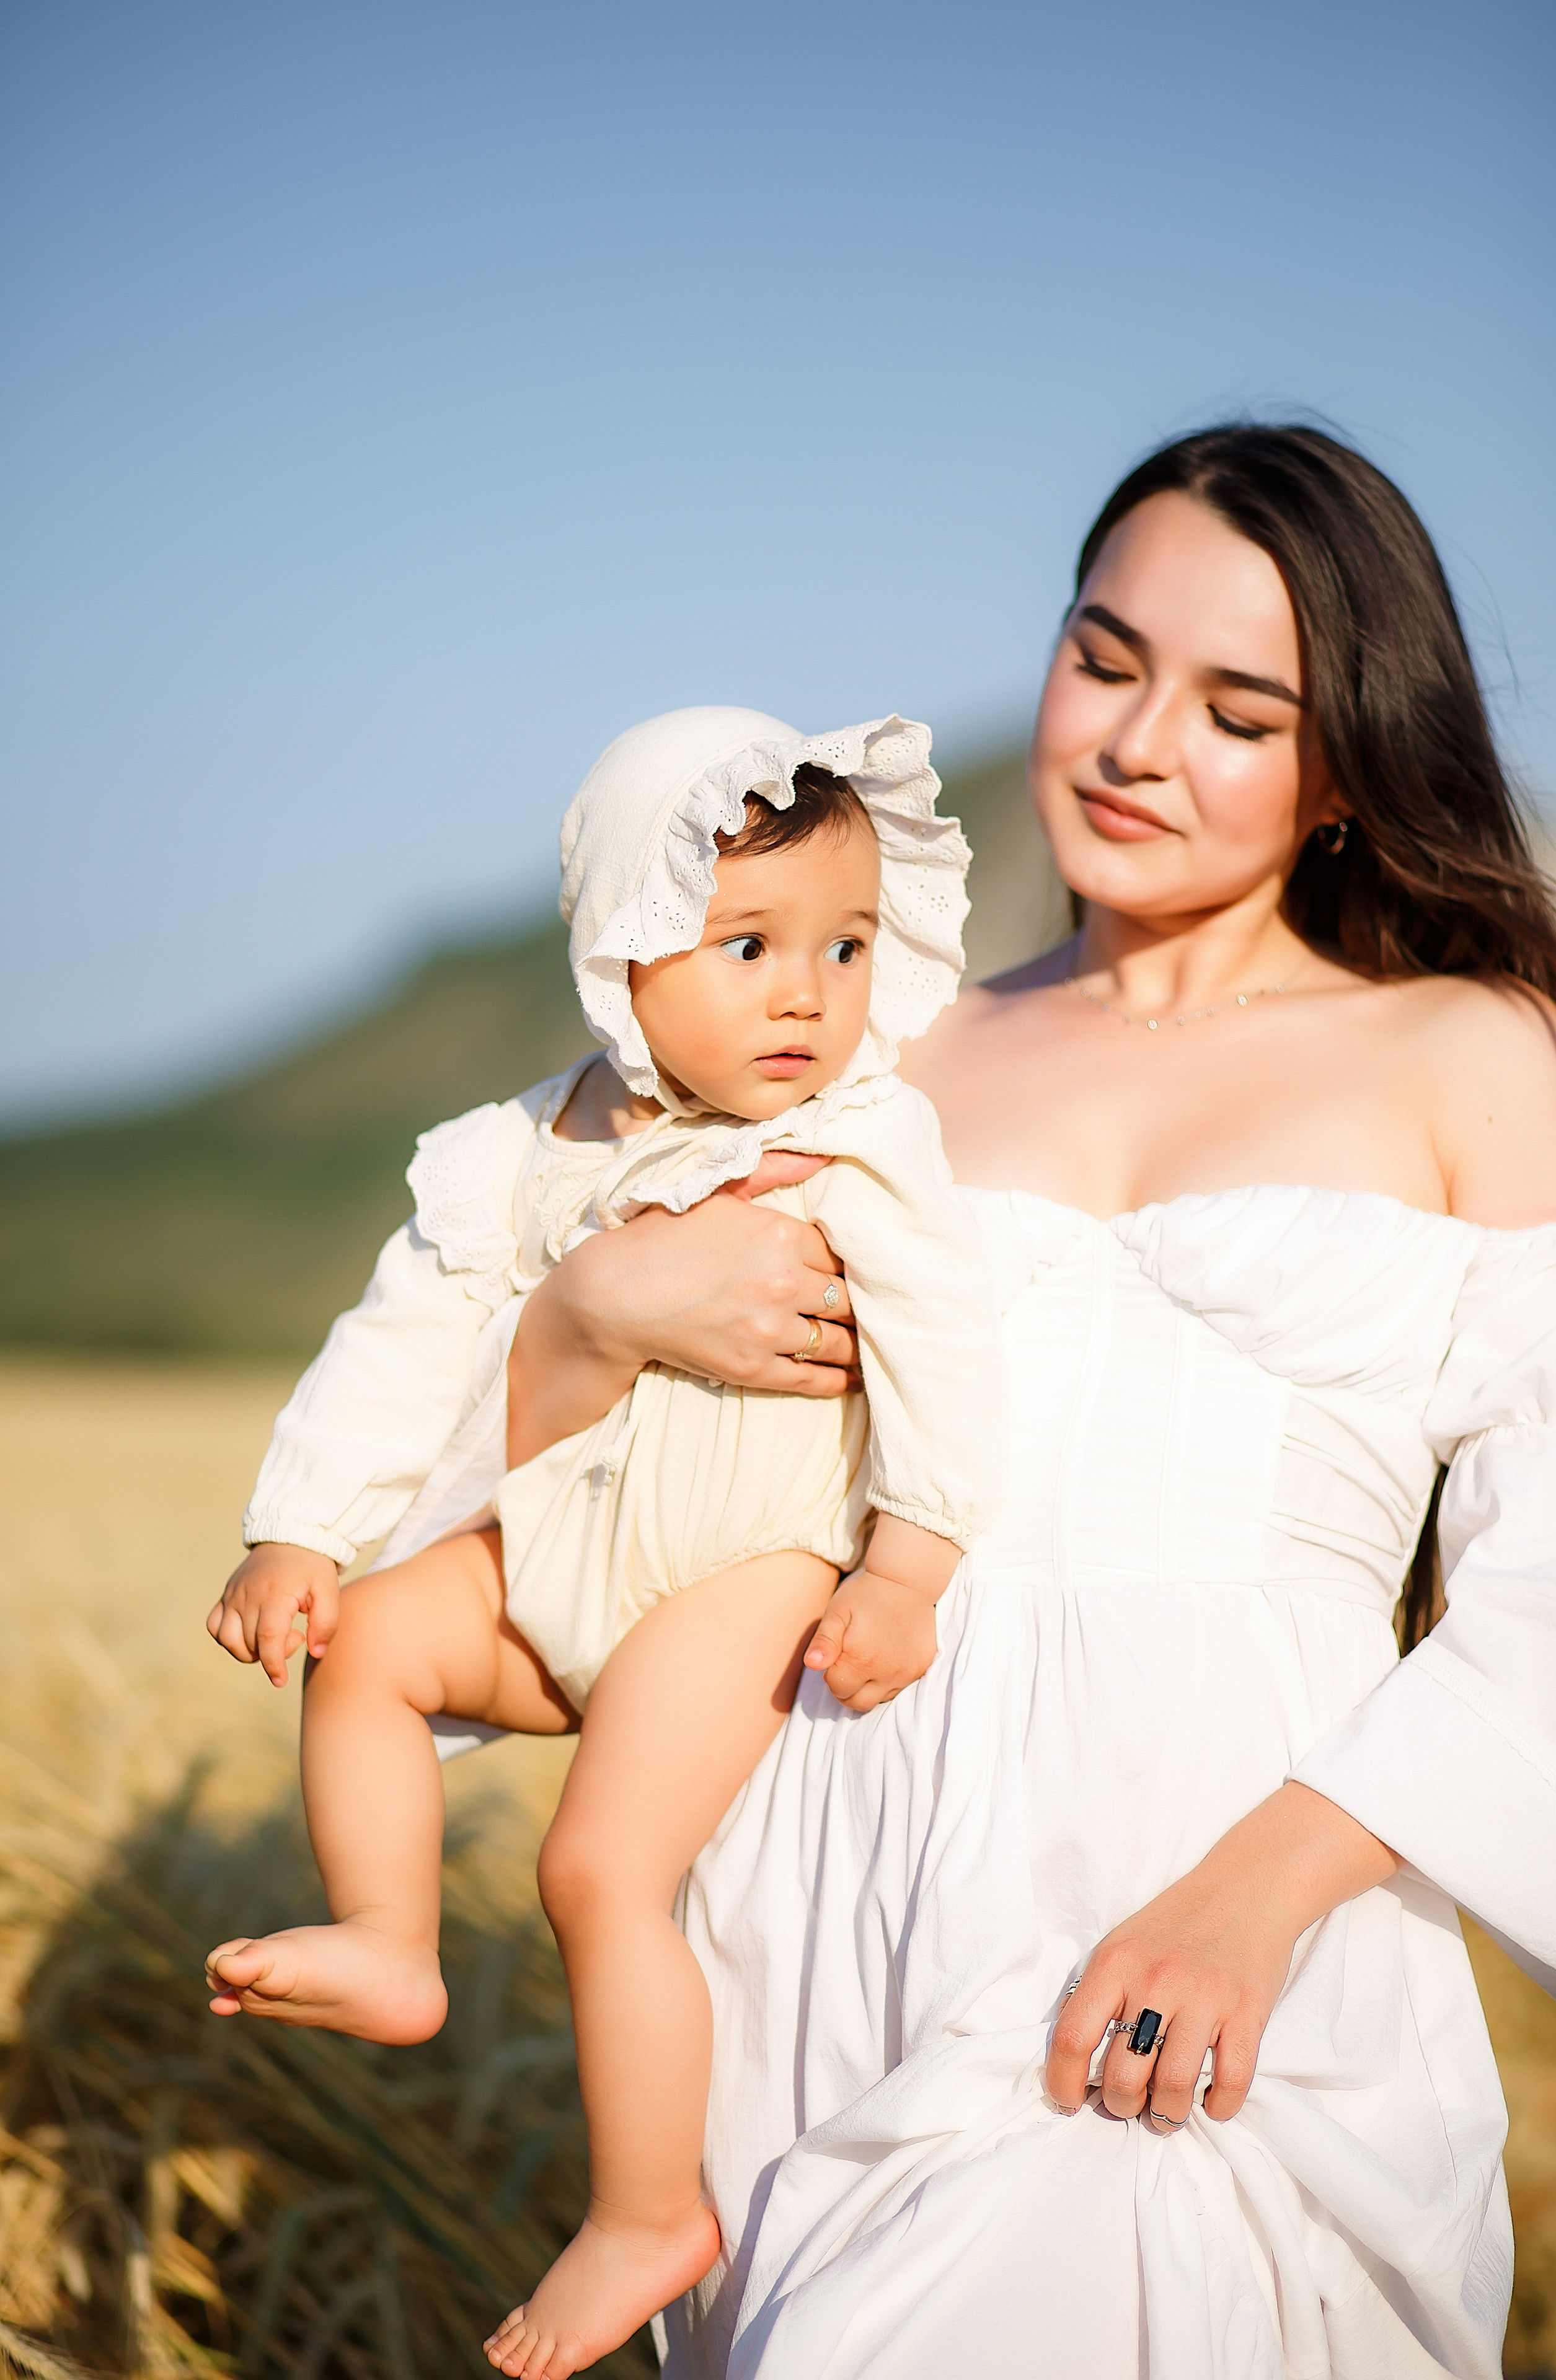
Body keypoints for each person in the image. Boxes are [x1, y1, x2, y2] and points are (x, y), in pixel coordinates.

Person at [491, 425, 1556, 2378]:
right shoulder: (873, 1049)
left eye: (1243, 710)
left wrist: (1254, 1900)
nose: (1137, 743)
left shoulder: (1480, 1050)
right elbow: (623, 1510)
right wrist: (593, 1310)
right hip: (829, 1875)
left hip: (1225, 1900)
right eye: (1107, 659)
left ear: (1350, 767)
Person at [203, 707, 1005, 2380]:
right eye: (749, 946)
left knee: (597, 1867)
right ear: (620, 961)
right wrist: (299, 1531)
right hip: (562, 1542)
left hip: (743, 1569)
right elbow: (403, 1336)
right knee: (362, 1649)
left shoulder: (856, 1139)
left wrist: (907, 1564)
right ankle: (388, 1936)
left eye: (846, 945)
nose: (808, 992)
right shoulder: (527, 1151)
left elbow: (946, 1346)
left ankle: (648, 2208)